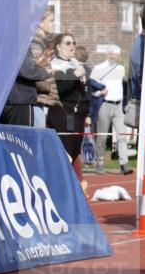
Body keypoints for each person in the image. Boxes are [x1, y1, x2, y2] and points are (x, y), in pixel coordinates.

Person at [46, 33, 89, 182]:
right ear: (58, 47)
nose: (72, 46)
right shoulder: (55, 65)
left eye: (74, 43)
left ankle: (70, 185)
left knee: (75, 151)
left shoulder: (75, 62)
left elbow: (83, 90)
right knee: (66, 153)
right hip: (62, 114)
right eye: (68, 43)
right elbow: (60, 89)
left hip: (78, 114)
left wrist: (87, 111)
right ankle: (60, 185)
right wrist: (74, 75)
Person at [90, 46, 132, 175]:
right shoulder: (98, 68)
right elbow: (89, 86)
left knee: (122, 135)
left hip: (118, 106)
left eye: (117, 54)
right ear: (108, 54)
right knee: (102, 136)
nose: (115, 56)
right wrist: (99, 93)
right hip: (104, 104)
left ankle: (124, 164)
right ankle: (100, 162)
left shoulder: (120, 69)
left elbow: (122, 87)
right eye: (113, 54)